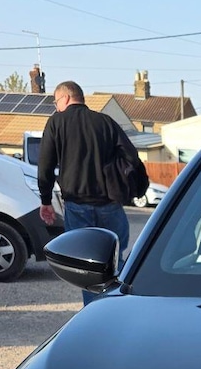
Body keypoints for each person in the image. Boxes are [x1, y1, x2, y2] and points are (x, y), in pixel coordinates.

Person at [36, 80, 146, 302]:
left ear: (65, 98)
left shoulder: (57, 122)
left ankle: (95, 312)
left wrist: (45, 200)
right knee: (117, 259)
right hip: (110, 204)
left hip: (77, 205)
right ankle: (122, 306)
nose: (56, 107)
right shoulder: (105, 122)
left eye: (56, 101)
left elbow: (45, 164)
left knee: (85, 264)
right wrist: (131, 187)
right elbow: (132, 157)